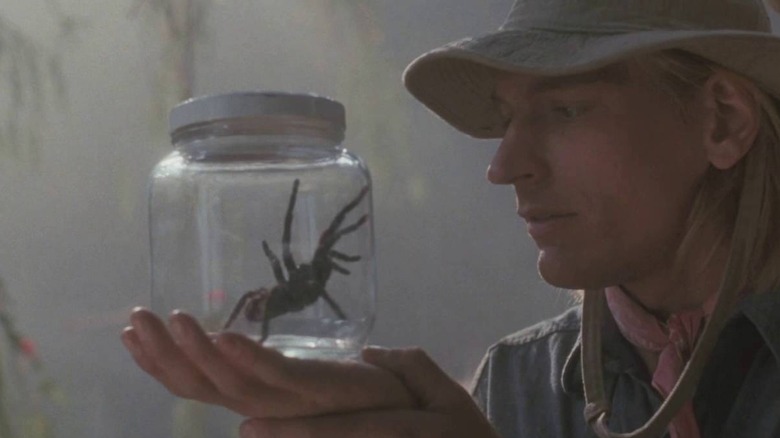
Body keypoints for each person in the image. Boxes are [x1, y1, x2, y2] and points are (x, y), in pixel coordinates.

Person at [122, 0, 780, 436]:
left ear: (721, 119)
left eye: (566, 110)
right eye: (507, 117)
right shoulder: (521, 384)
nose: (503, 166)